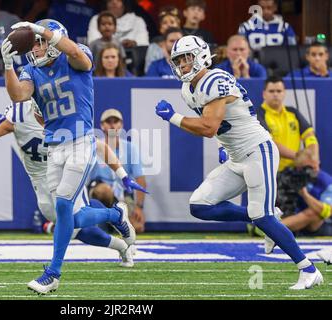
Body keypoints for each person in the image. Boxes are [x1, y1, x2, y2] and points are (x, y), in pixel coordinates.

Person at [154, 35, 322, 289]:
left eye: (186, 59)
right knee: (200, 206)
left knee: (261, 216)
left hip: (257, 151)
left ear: (201, 56)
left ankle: (308, 269)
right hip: (236, 156)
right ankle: (268, 218)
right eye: (178, 61)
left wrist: (173, 117)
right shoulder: (188, 88)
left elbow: (209, 127)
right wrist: (223, 147)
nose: (182, 65)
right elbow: (222, 125)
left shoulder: (215, 79)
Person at [1, 19, 138, 294]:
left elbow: (77, 55)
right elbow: (19, 95)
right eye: (34, 43)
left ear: (53, 41)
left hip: (81, 141)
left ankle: (53, 274)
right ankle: (115, 214)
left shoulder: (75, 55)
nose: (36, 48)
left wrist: (42, 31)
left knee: (63, 205)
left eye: (40, 42)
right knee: (69, 219)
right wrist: (7, 66)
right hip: (54, 146)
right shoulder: (30, 70)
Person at [0, 99, 145, 268]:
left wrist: (122, 174)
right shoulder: (19, 117)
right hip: (40, 182)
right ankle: (120, 239)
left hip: (65, 177)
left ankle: (55, 269)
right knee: (73, 229)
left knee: (71, 223)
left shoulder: (66, 119)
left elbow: (98, 146)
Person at [90, 109, 147, 233]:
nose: (112, 125)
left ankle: (112, 223)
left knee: (137, 228)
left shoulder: (130, 148)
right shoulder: (95, 147)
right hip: (100, 192)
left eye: (115, 121)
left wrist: (138, 207)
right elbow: (84, 178)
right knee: (104, 191)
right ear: (102, 126)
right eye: (108, 121)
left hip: (123, 194)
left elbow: (140, 178)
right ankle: (100, 221)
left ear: (121, 125)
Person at [256, 76, 319, 173]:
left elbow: (309, 135)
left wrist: (313, 158)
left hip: (298, 168)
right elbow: (270, 143)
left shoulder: (293, 112)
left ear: (284, 93)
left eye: (279, 91)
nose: (275, 94)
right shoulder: (258, 115)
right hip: (273, 171)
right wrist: (298, 157)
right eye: (271, 91)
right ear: (264, 94)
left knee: (329, 186)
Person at [144, 5, 181, 73]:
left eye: (172, 22)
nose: (169, 25)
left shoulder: (187, 44)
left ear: (178, 25)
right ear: (160, 28)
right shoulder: (153, 47)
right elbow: (148, 71)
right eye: (165, 23)